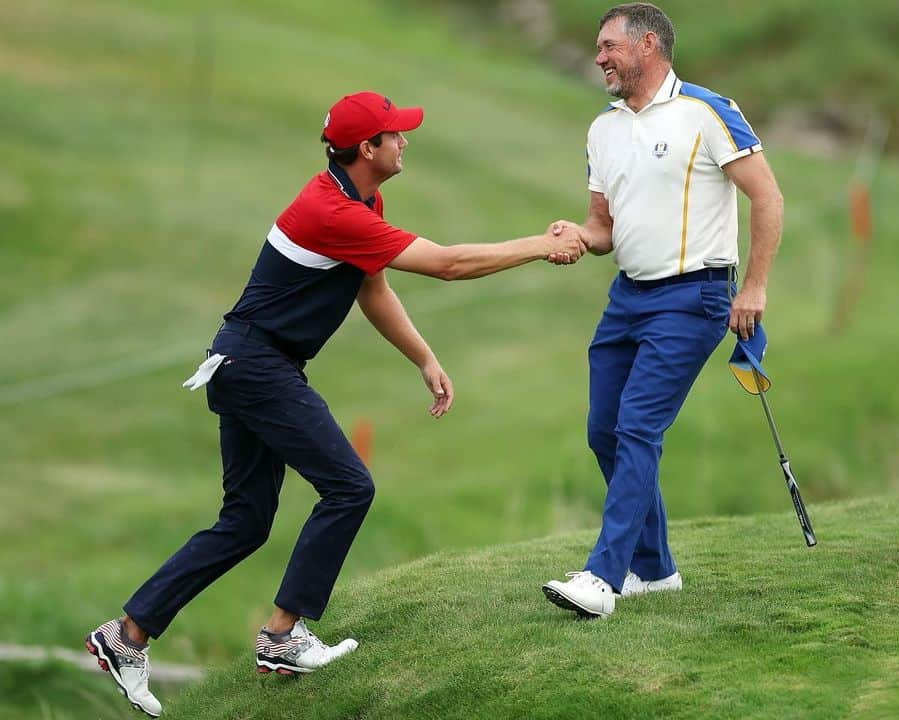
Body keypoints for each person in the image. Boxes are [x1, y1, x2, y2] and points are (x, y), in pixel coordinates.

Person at [85, 90, 586, 717]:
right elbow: (448, 265)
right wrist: (540, 244)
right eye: (395, 135)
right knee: (349, 486)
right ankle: (283, 635)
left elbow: (370, 286)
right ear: (366, 149)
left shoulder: (359, 199)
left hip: (246, 361)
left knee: (244, 522)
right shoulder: (334, 211)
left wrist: (424, 358)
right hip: (258, 366)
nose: (405, 141)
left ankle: (126, 635)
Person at [541, 2, 784, 619]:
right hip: (628, 296)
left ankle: (604, 577)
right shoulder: (603, 127)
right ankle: (654, 569)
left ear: (648, 45)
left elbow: (767, 196)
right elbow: (604, 227)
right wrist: (577, 234)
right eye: (597, 48)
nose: (598, 58)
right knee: (604, 430)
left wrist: (752, 288)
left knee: (638, 428)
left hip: (694, 296)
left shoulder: (706, 111)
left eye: (608, 47)